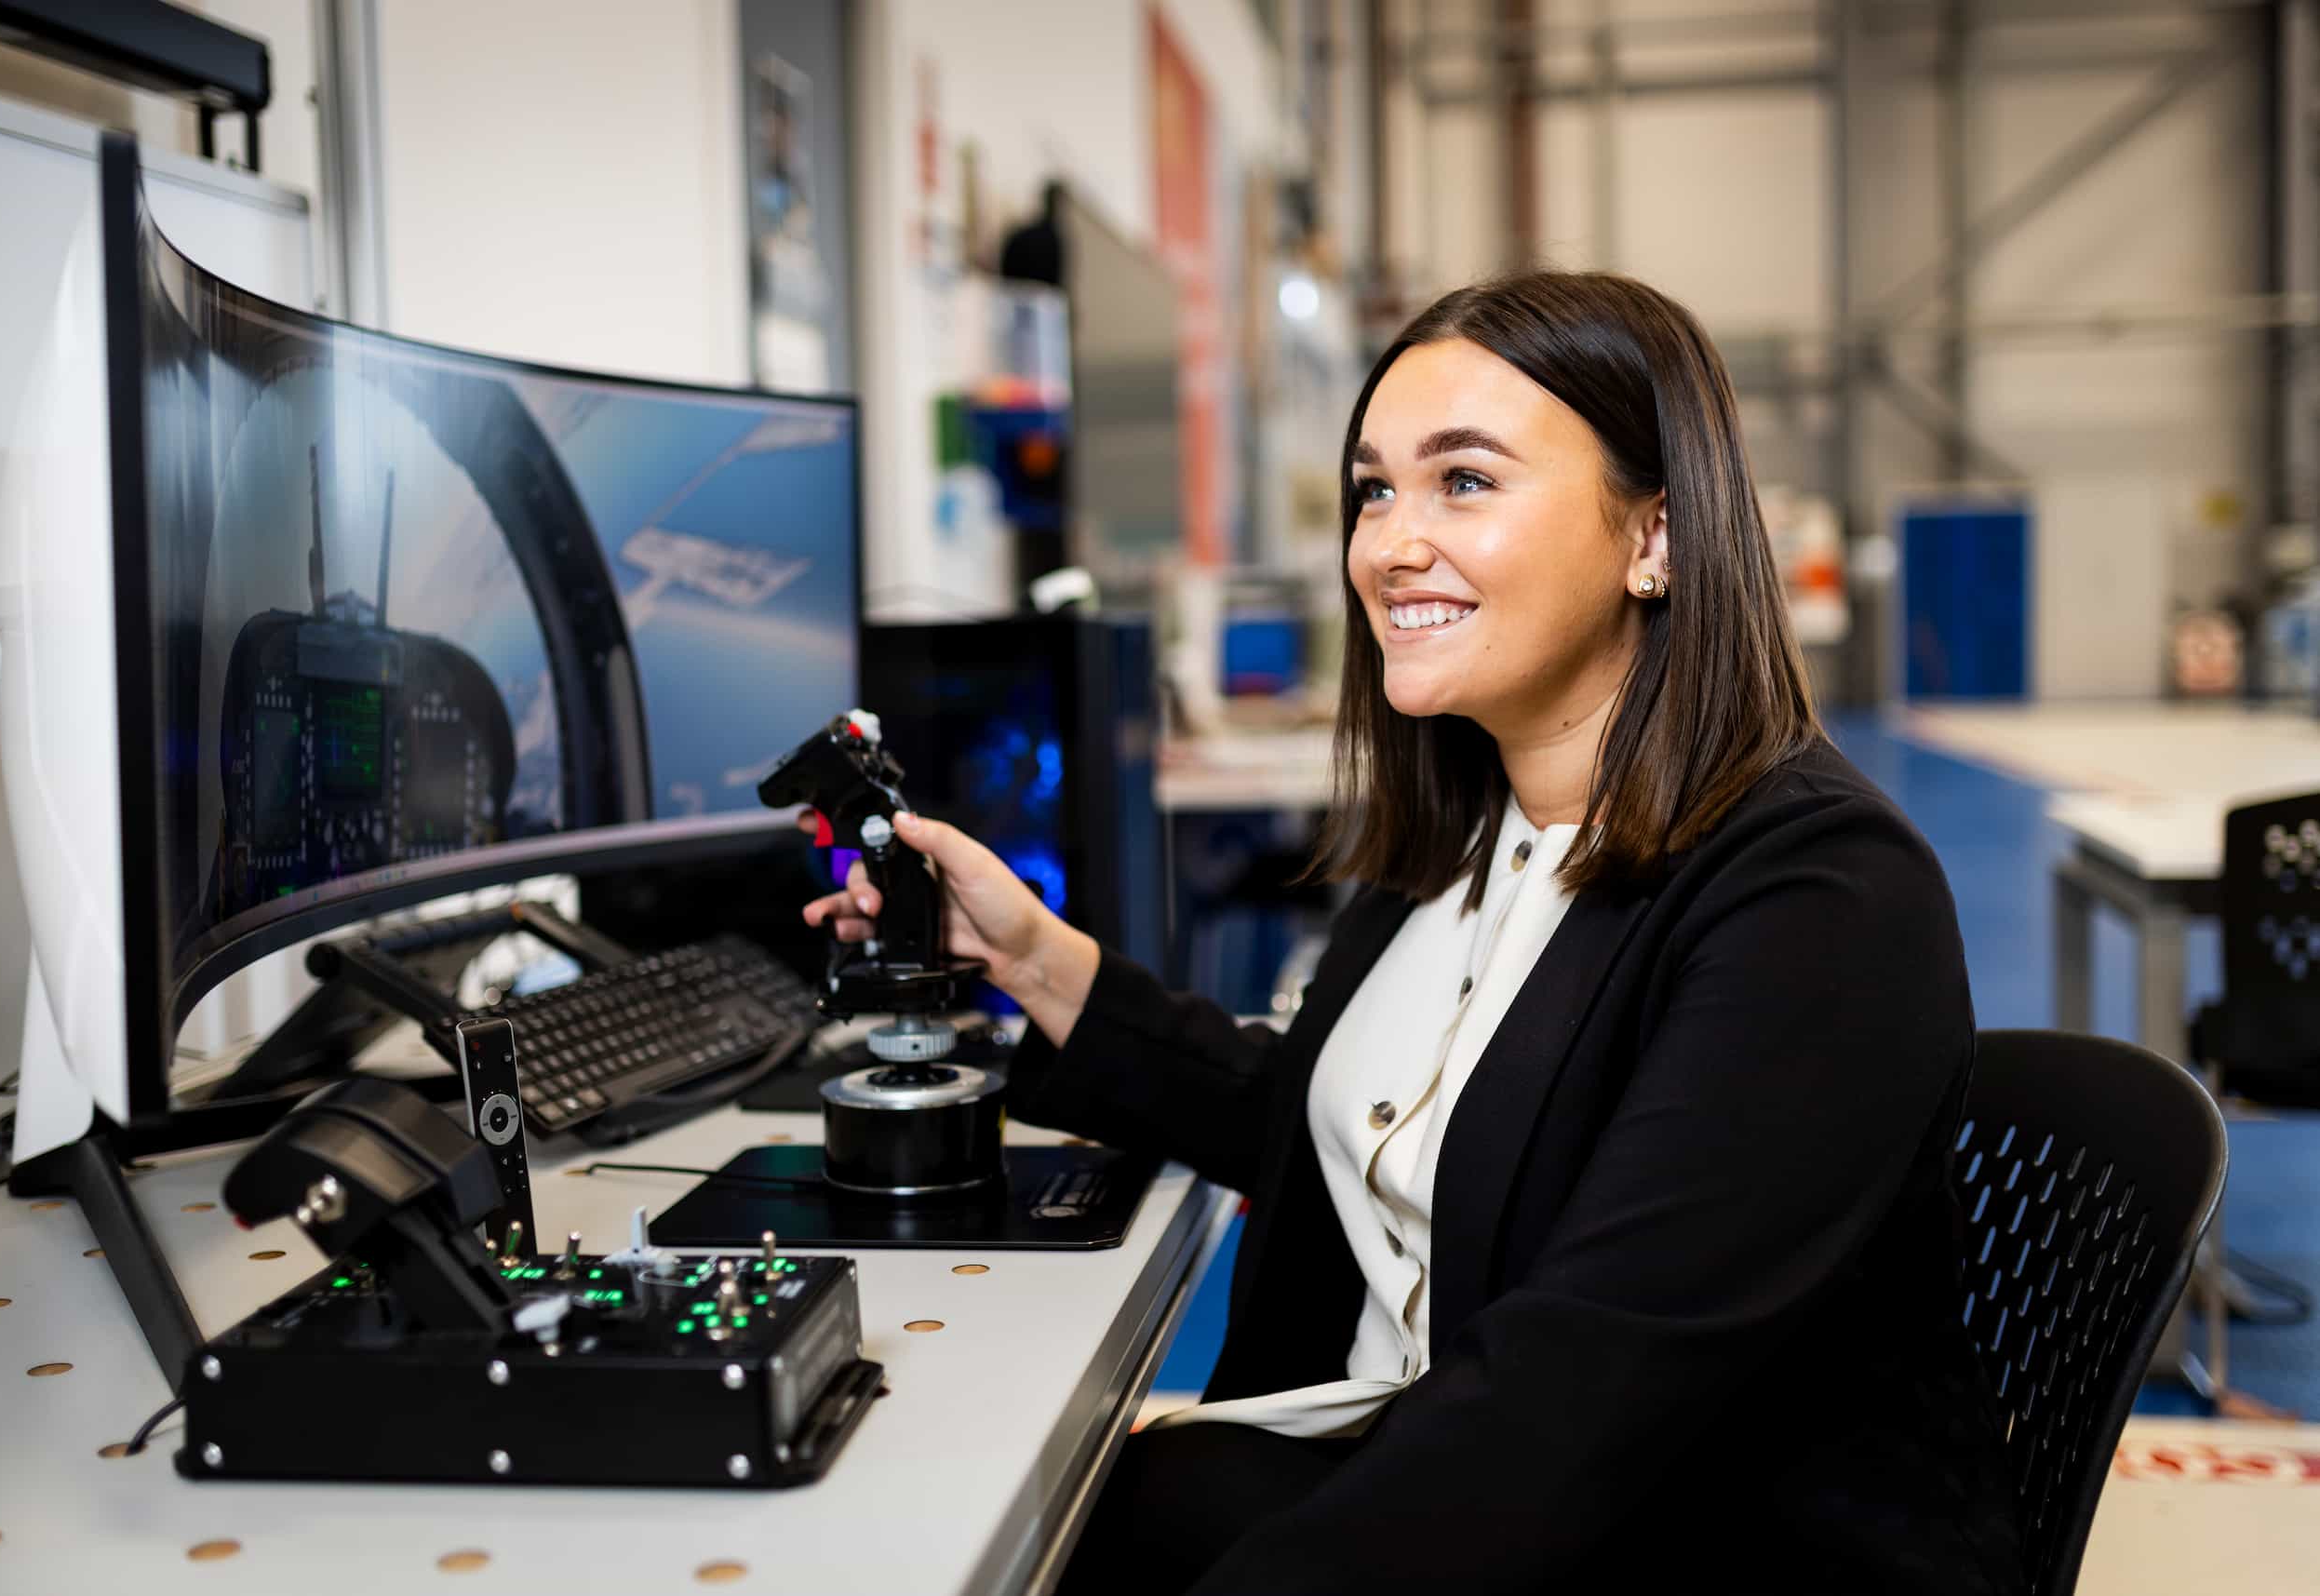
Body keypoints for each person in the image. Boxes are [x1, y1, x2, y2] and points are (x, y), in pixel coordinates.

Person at [801, 272, 2023, 1594]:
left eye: (1466, 482)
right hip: (1449, 1466)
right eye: (1375, 489)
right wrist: (1032, 956)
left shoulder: (1818, 900)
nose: (1388, 544)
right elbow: (1335, 1112)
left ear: (1654, 536)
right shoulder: (1466, 826)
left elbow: (1580, 1393)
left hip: (1678, 1544)